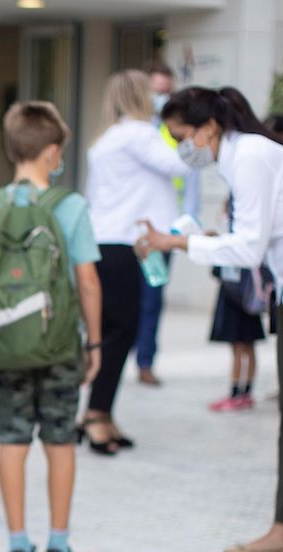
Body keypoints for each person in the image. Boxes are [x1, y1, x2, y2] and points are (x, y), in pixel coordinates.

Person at [142, 86, 283, 552]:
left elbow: (249, 250)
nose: (180, 148)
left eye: (181, 136)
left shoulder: (251, 155)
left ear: (209, 127)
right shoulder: (238, 157)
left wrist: (176, 241)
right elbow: (252, 241)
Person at [0, 101, 103, 552]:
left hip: (8, 345)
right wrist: (95, 344)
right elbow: (87, 281)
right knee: (60, 440)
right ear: (51, 152)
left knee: (12, 439)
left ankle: (17, 548)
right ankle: (60, 548)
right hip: (61, 342)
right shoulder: (70, 207)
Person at [83, 70, 189, 454]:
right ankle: (96, 414)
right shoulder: (139, 135)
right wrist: (199, 137)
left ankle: (100, 412)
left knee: (112, 331)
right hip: (125, 244)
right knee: (120, 332)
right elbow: (180, 165)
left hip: (104, 242)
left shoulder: (108, 138)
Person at [135, 59, 202, 387]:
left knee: (151, 299)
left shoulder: (176, 135)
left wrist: (180, 231)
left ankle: (145, 361)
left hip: (162, 235)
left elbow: (191, 186)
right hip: (129, 233)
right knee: (122, 299)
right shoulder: (135, 131)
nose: (161, 97)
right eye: (155, 91)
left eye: (166, 91)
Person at [207, 197, 269, 412]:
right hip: (245, 292)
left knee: (240, 345)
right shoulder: (241, 230)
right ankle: (244, 392)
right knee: (246, 345)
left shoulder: (241, 232)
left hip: (239, 292)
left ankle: (238, 393)